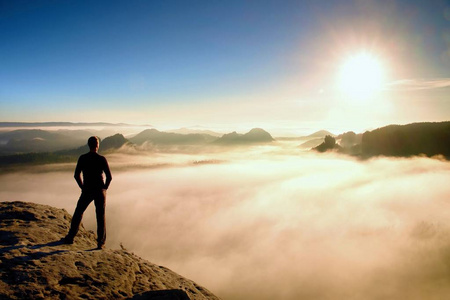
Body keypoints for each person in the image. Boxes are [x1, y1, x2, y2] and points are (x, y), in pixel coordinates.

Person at [64, 136, 112, 249]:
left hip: (87, 189)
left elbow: (76, 175)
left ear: (88, 145)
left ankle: (70, 237)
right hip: (99, 190)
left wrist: (82, 187)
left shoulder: (83, 158)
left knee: (78, 212)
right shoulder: (101, 159)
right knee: (100, 216)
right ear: (97, 145)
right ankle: (100, 243)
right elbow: (109, 177)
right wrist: (104, 188)